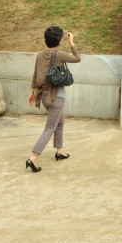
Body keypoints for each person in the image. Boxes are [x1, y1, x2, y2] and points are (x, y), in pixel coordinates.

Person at [25, 26, 81, 173]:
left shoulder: (39, 55)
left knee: (60, 121)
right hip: (56, 96)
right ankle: (33, 157)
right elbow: (77, 58)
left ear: (45, 39)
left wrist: (31, 92)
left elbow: (35, 74)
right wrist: (72, 42)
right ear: (60, 40)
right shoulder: (60, 54)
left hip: (43, 96)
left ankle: (59, 151)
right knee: (50, 127)